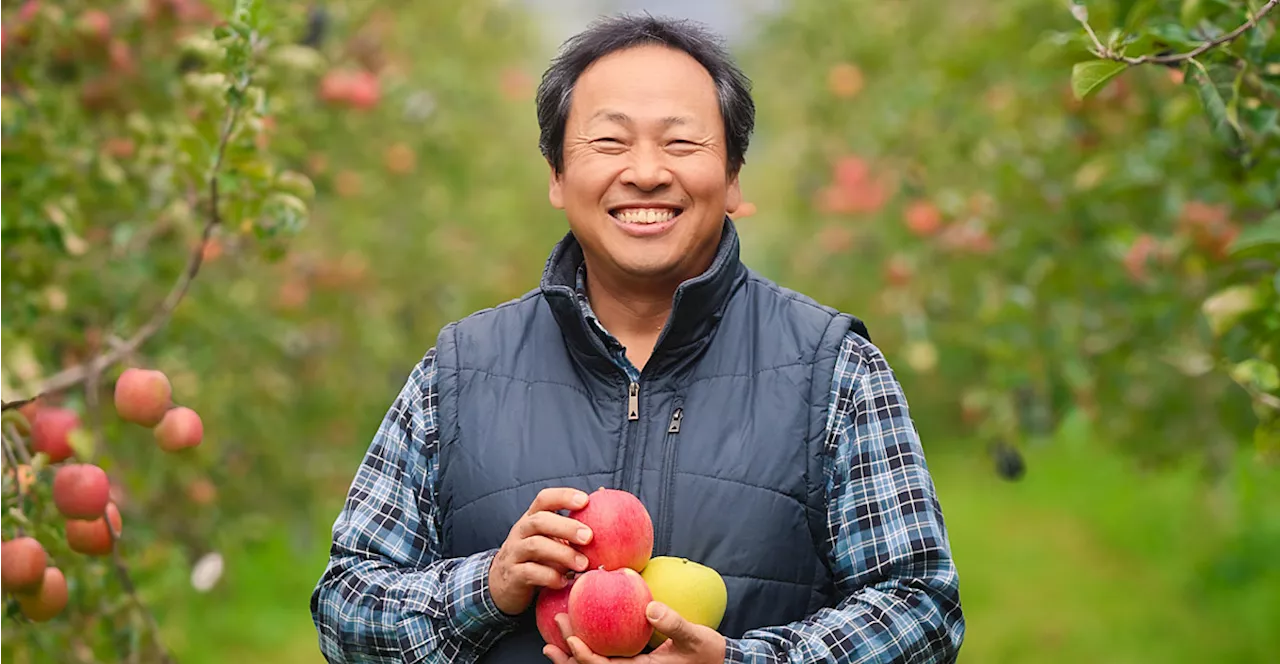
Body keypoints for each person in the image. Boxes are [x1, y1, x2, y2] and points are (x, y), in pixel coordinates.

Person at [310, 13, 964, 664]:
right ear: (557, 176)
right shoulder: (457, 373)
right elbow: (346, 609)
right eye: (610, 142)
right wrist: (489, 585)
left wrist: (744, 663)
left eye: (681, 143)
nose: (646, 172)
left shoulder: (834, 369)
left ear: (735, 177)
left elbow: (921, 610)